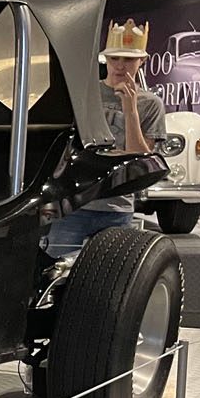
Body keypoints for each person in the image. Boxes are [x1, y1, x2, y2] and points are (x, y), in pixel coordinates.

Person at [45, 19, 165, 259]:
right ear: (106, 59)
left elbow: (140, 161)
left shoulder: (150, 104)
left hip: (117, 207)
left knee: (113, 273)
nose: (120, 65)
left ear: (142, 60)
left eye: (128, 59)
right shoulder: (84, 95)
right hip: (74, 204)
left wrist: (130, 111)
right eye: (114, 58)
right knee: (56, 269)